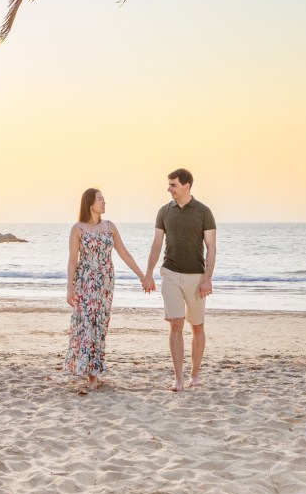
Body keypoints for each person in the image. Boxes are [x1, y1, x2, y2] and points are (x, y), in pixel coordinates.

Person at [64, 187, 147, 394]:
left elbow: (124, 253)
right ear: (90, 203)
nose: (104, 202)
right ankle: (91, 375)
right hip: (85, 283)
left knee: (100, 326)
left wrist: (142, 275)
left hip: (105, 284)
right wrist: (69, 288)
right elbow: (73, 260)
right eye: (100, 199)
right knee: (86, 326)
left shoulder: (109, 227)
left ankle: (93, 371)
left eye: (104, 199)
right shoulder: (78, 229)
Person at [142, 168, 217, 391]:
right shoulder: (164, 212)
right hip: (170, 273)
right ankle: (178, 378)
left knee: (196, 326)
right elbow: (156, 244)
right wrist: (148, 273)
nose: (169, 189)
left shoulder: (204, 212)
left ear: (186, 186)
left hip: (196, 276)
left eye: (173, 185)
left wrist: (207, 279)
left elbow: (211, 247)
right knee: (175, 323)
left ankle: (194, 374)